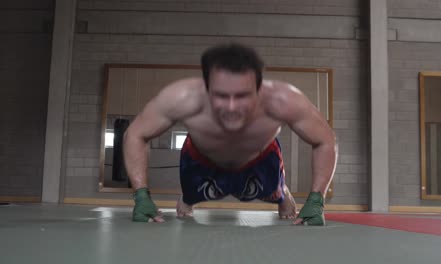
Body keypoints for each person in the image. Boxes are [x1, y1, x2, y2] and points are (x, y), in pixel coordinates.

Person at [123, 43, 337, 226]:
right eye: (221, 96)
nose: (232, 107)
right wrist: (141, 196)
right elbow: (135, 134)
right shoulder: (181, 98)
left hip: (259, 158)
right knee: (190, 194)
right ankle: (189, 197)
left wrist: (316, 200)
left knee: (276, 191)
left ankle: (282, 194)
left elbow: (325, 140)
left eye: (242, 95)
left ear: (259, 88)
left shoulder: (284, 100)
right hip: (201, 159)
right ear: (205, 87)